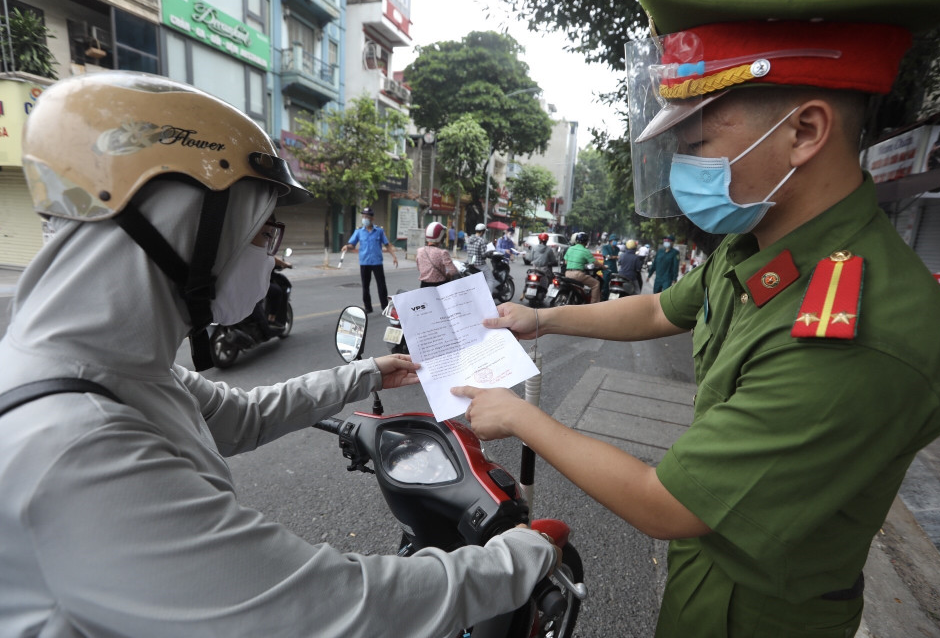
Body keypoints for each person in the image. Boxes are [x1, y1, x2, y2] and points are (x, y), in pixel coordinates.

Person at [451, 0, 940, 635]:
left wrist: (520, 416)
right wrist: (541, 320)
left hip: (762, 615)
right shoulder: (758, 242)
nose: (684, 165)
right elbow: (660, 308)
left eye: (696, 144)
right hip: (703, 577)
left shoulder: (859, 330)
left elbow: (666, 505)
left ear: (805, 132)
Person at [0, 72, 559, 637]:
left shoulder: (121, 371)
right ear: (184, 228)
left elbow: (243, 416)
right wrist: (514, 561)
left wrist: (367, 372)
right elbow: (318, 609)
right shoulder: (75, 443)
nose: (270, 256)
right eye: (259, 232)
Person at [342, 207, 398, 314]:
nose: (364, 219)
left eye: (367, 217)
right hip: (364, 262)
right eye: (363, 216)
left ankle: (385, 306)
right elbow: (352, 244)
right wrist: (347, 247)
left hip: (377, 262)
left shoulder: (379, 231)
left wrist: (394, 256)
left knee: (381, 285)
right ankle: (368, 307)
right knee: (365, 286)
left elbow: (387, 245)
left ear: (372, 218)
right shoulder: (359, 231)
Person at [562, 232, 600, 303]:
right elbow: (595, 263)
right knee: (596, 284)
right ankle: (593, 304)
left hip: (567, 274)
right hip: (578, 275)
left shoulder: (570, 249)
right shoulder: (585, 251)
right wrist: (603, 266)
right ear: (586, 242)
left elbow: (566, 262)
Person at [417, 221, 457, 287]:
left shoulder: (420, 251)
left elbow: (419, 268)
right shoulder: (442, 253)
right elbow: (453, 271)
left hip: (424, 286)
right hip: (439, 286)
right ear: (441, 237)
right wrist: (447, 276)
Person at [466, 223, 497, 294]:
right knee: (490, 280)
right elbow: (483, 255)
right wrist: (489, 253)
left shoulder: (469, 239)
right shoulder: (481, 240)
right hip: (480, 265)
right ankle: (488, 297)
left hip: (470, 264)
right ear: (482, 232)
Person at [600, 233, 620, 300]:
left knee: (615, 286)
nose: (615, 242)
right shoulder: (605, 247)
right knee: (605, 285)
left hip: (614, 269)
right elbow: (606, 256)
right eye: (614, 240)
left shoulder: (617, 249)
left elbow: (619, 258)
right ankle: (604, 298)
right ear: (610, 241)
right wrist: (616, 257)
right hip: (607, 268)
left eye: (616, 240)